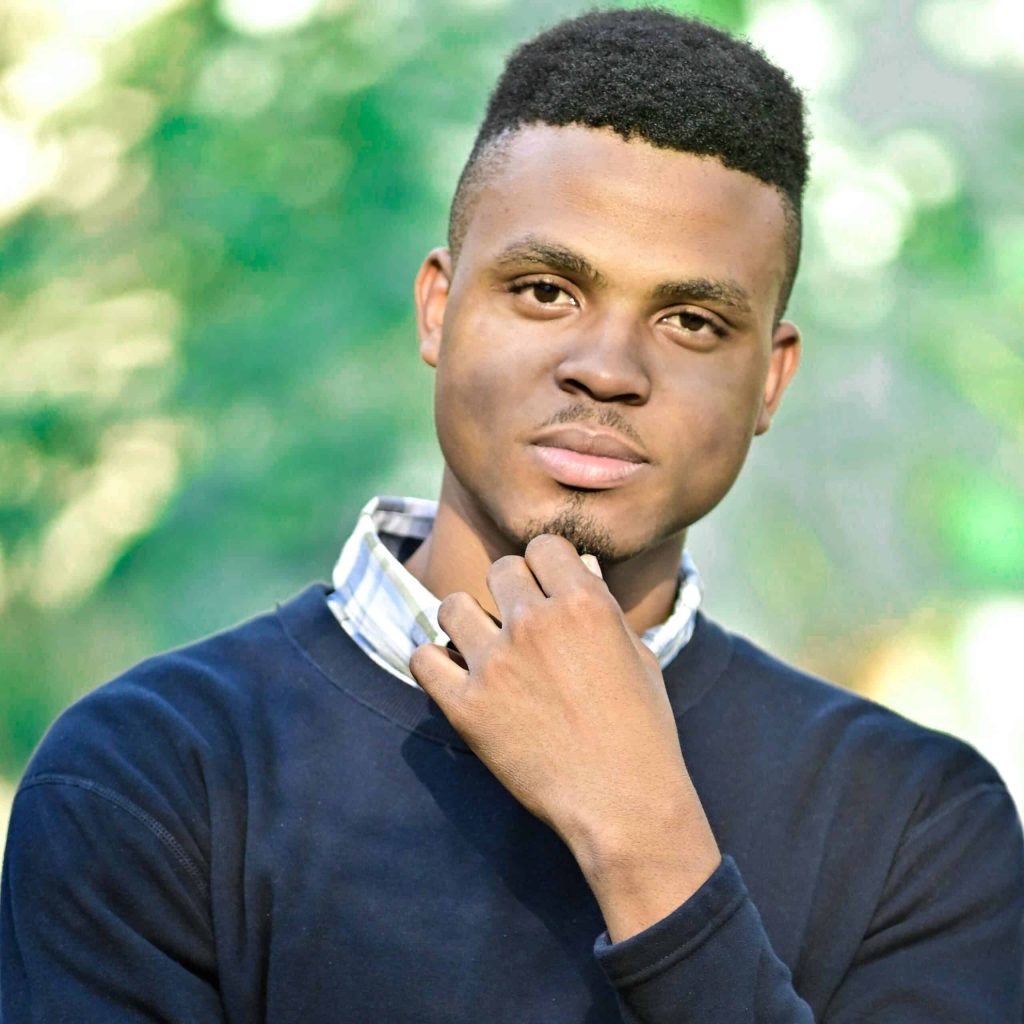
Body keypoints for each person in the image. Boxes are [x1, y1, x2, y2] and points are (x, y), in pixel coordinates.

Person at [2, 8, 1021, 1022]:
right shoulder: (155, 773)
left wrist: (644, 841)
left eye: (692, 321)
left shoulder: (915, 824)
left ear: (770, 379)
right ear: (438, 309)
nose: (609, 368)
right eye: (544, 291)